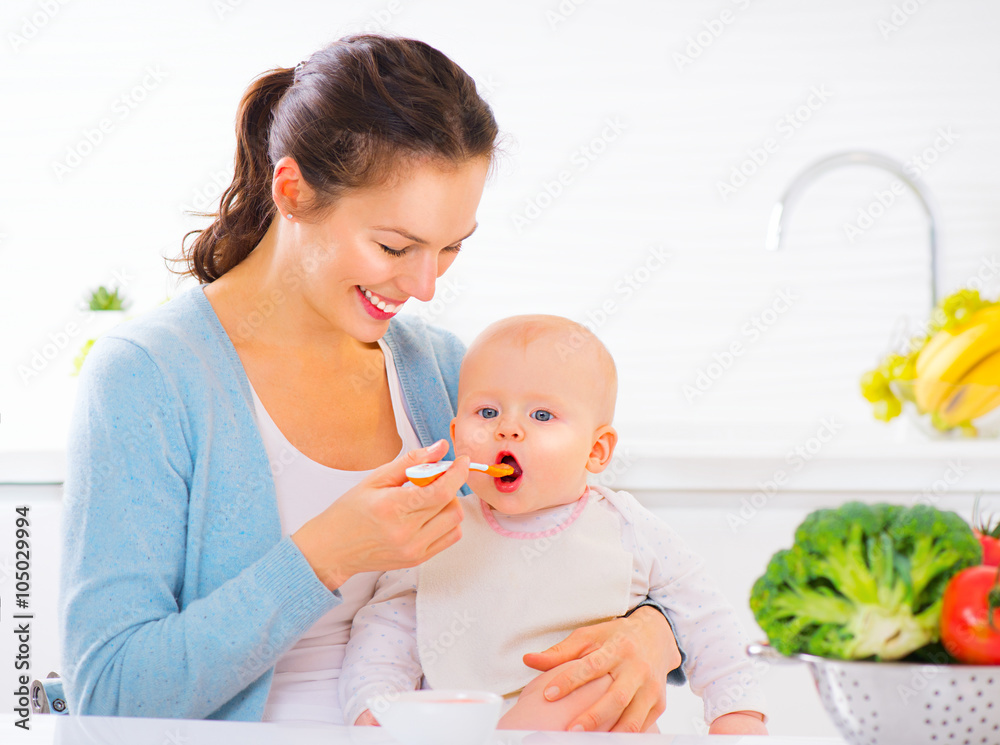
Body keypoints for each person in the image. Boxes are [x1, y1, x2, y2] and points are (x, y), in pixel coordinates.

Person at [58, 35, 682, 731]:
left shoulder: (446, 374)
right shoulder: (150, 377)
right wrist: (331, 551)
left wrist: (652, 634)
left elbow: (602, 536)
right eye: (394, 246)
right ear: (292, 190)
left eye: (451, 248)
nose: (423, 285)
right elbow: (108, 692)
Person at [339, 315, 769, 735]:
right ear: (455, 434)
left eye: (542, 416)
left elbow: (707, 620)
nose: (508, 429)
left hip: (593, 723)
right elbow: (387, 628)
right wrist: (375, 705)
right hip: (469, 728)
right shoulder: (436, 530)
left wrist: (738, 713)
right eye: (487, 412)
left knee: (591, 681)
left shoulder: (628, 528)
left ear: (596, 450)